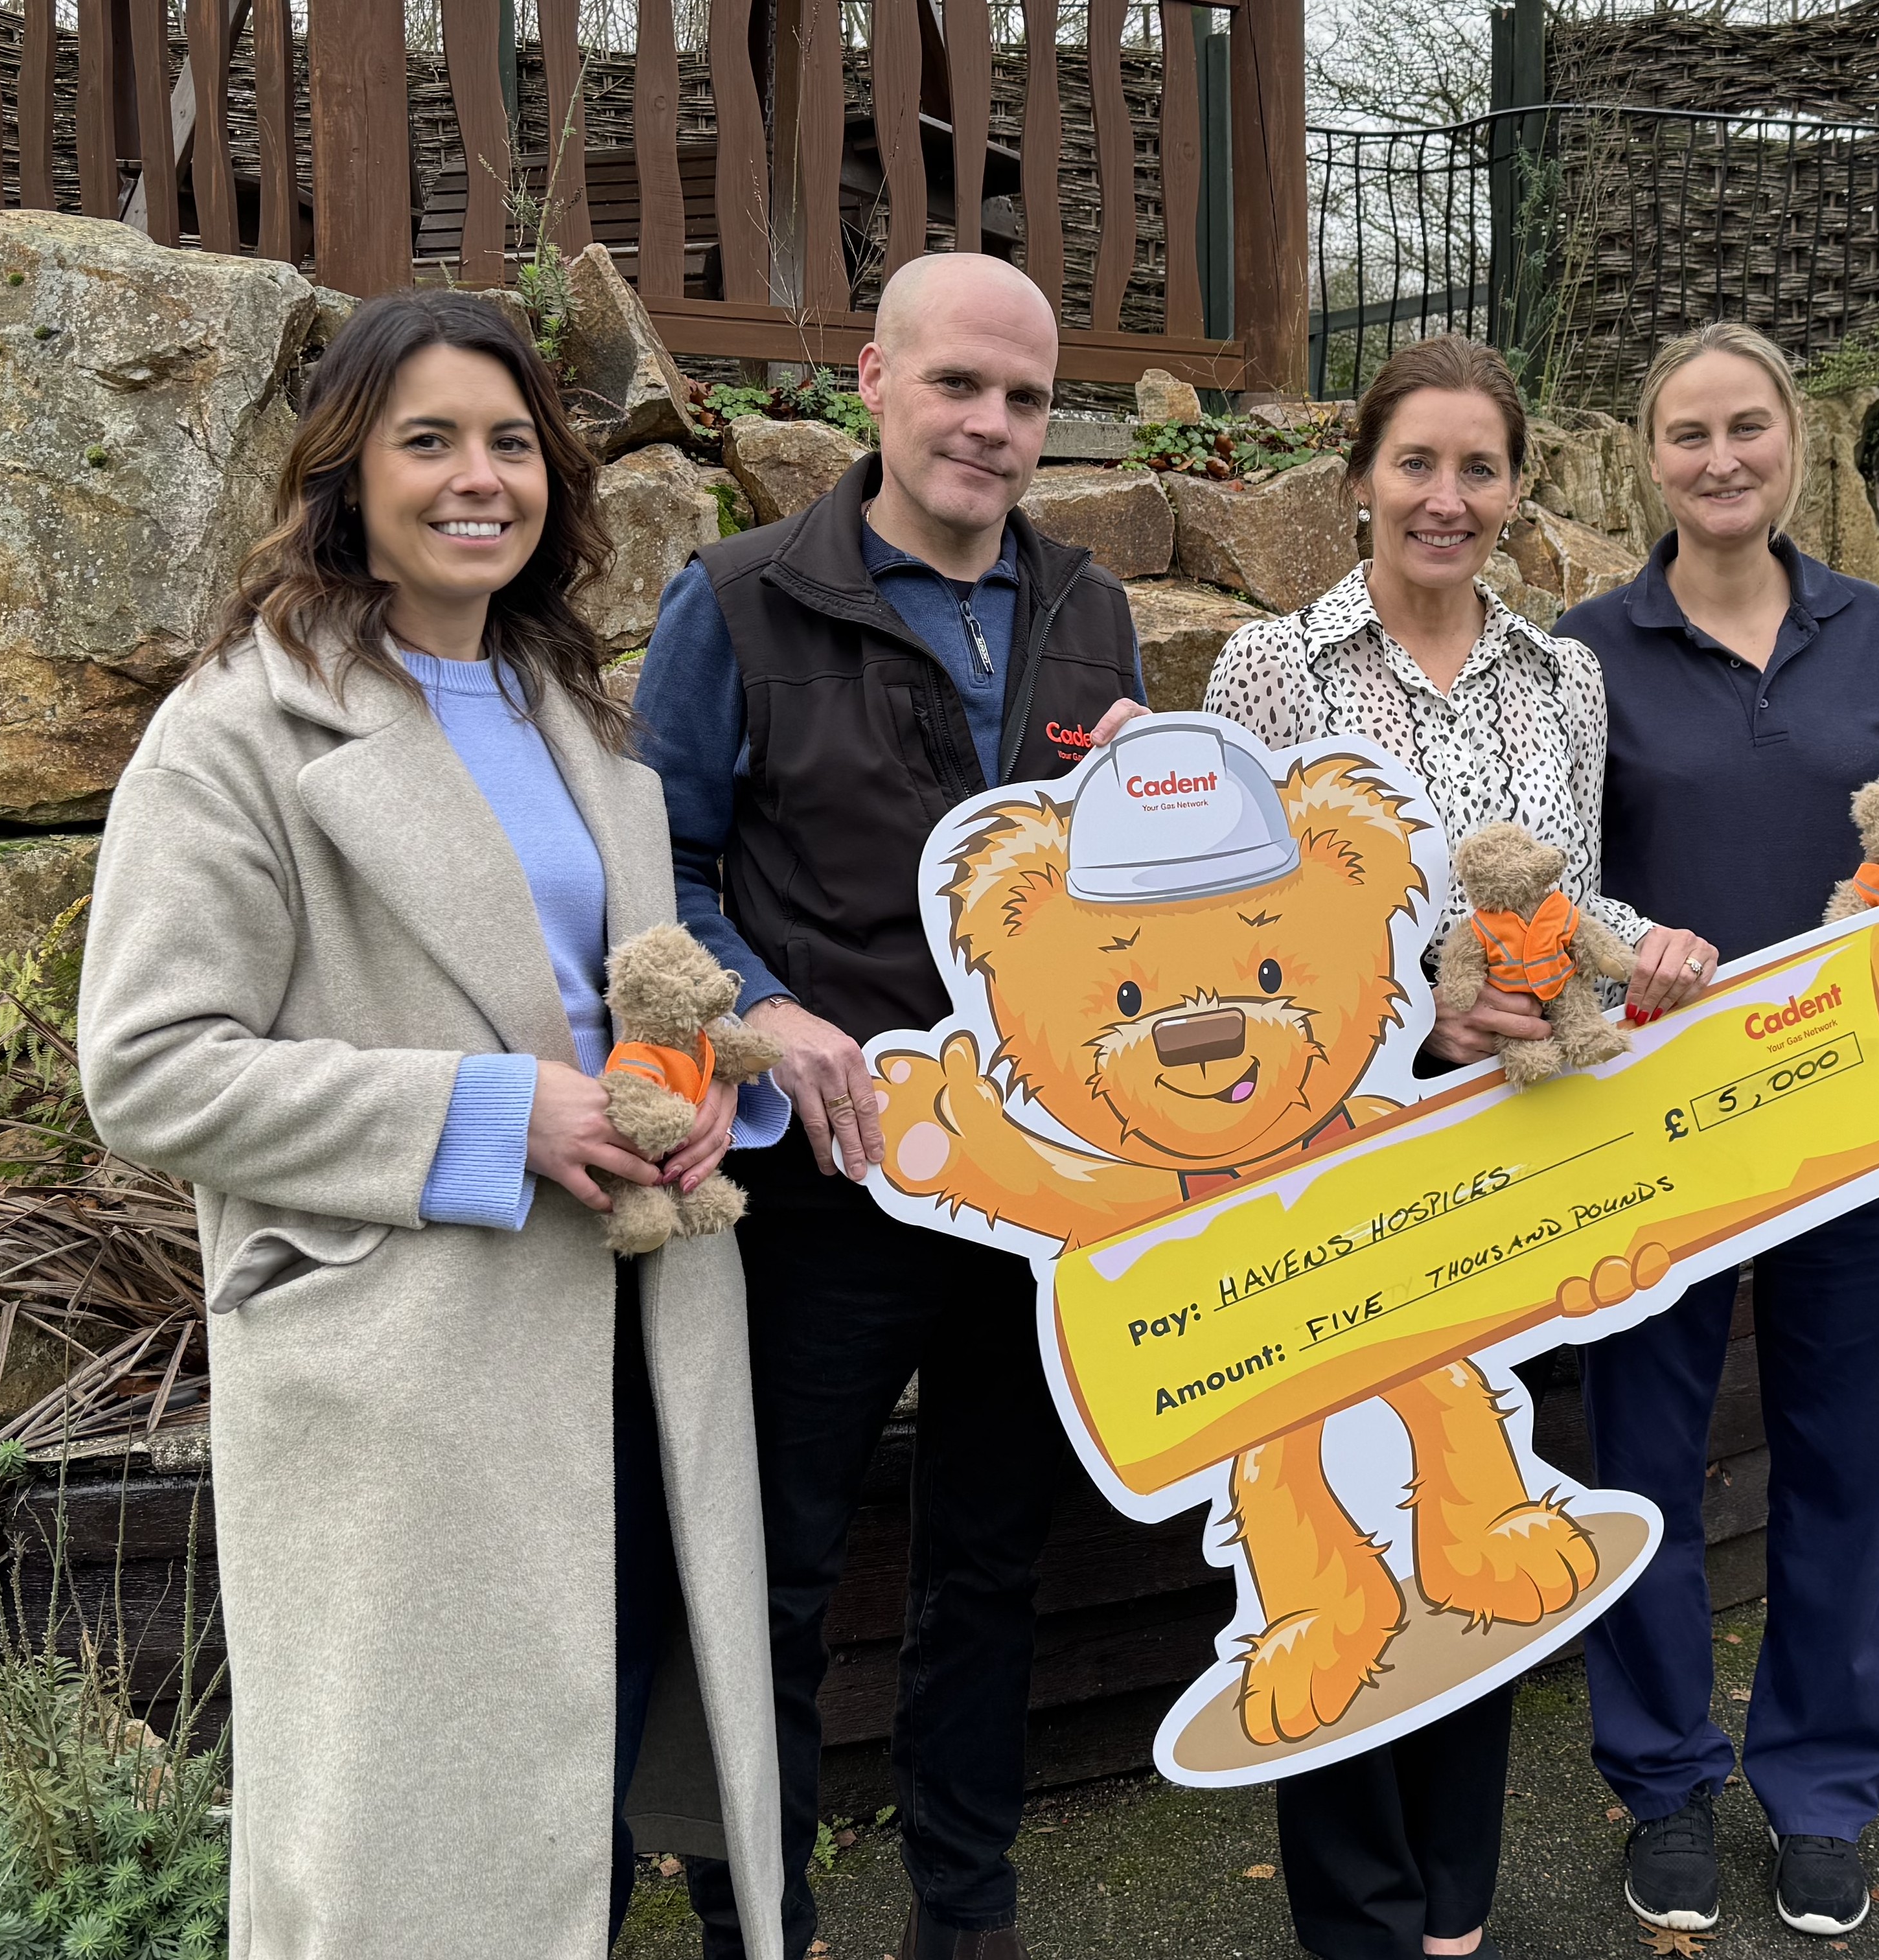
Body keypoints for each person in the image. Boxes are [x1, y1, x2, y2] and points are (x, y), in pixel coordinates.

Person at [78, 290, 791, 1960]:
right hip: (411, 1387)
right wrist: (491, 1117)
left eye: (509, 441)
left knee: (580, 1808)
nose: (480, 477)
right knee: (416, 1869)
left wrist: (699, 1104)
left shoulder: (570, 711)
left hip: (630, 1340)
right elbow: (151, 1066)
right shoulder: (235, 734)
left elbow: (608, 1000)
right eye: (428, 441)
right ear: (345, 475)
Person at [636, 251, 1149, 1960]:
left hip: (1031, 1198)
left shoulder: (1086, 609)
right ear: (874, 377)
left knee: (989, 1569)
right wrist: (765, 1019)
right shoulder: (739, 601)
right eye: (959, 386)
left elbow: (1119, 902)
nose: (993, 427)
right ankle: (756, 1925)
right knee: (767, 1583)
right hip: (826, 1198)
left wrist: (1147, 806)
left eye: (1023, 399)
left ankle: (967, 1914)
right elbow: (667, 879)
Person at [1200, 333, 1717, 1960]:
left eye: (1477, 468)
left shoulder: (1562, 677)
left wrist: (1654, 957)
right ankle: (1356, 1917)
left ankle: (1455, 1912)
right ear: (1358, 478)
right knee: (1337, 1503)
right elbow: (1244, 944)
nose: (1445, 498)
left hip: (1516, 1159)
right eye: (1415, 464)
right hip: (1336, 1156)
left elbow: (1566, 904)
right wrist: (1421, 1014)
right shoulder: (1268, 673)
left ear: (1515, 490)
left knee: (1477, 1495)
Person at [1554, 322, 1879, 1941]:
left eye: (1748, 428)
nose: (1720, 459)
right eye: (1688, 434)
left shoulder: (1875, 638)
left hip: (1860, 1135)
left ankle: (1819, 1791)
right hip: (1648, 1137)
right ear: (1646, 456)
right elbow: (1551, 890)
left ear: (1794, 442)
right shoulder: (1584, 650)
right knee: (1649, 1467)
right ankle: (1662, 1779)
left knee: (1847, 1468)